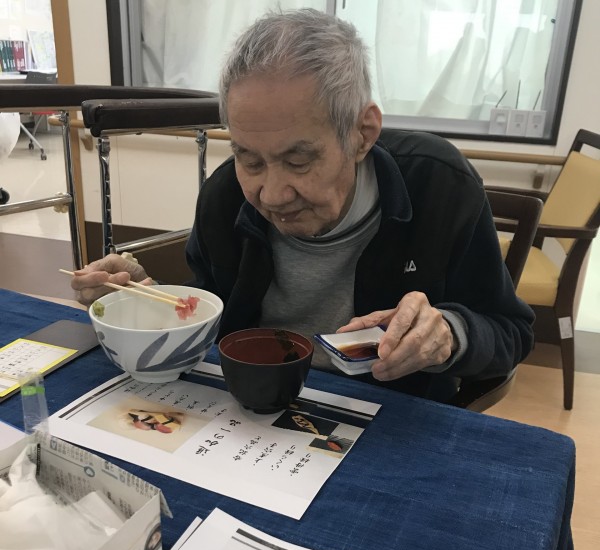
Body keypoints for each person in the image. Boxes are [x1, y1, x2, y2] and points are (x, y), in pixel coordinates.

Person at [71, 8, 534, 403]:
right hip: (250, 406)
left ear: (362, 134)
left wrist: (448, 332)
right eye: (250, 159)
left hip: (392, 415)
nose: (272, 195)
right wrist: (144, 296)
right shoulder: (224, 196)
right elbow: (212, 305)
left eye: (298, 160)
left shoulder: (439, 185)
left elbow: (511, 330)